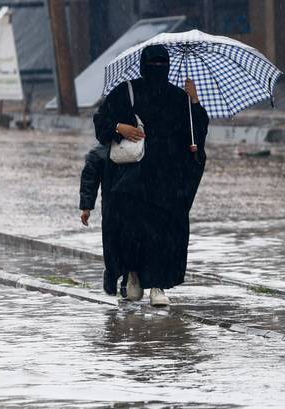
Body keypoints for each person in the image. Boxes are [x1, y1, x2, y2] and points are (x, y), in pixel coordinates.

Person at [93, 44, 209, 306]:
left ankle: (158, 284)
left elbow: (196, 134)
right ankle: (132, 277)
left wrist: (194, 101)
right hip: (130, 179)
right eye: (153, 65)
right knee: (131, 230)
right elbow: (101, 122)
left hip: (165, 181)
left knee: (162, 232)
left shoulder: (179, 97)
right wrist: (119, 127)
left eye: (161, 65)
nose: (158, 70)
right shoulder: (126, 92)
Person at [78, 144, 128, 297]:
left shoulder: (137, 151)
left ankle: (126, 279)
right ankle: (113, 276)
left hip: (132, 205)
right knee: (112, 241)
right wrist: (86, 207)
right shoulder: (99, 154)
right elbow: (89, 181)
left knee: (129, 242)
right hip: (111, 206)